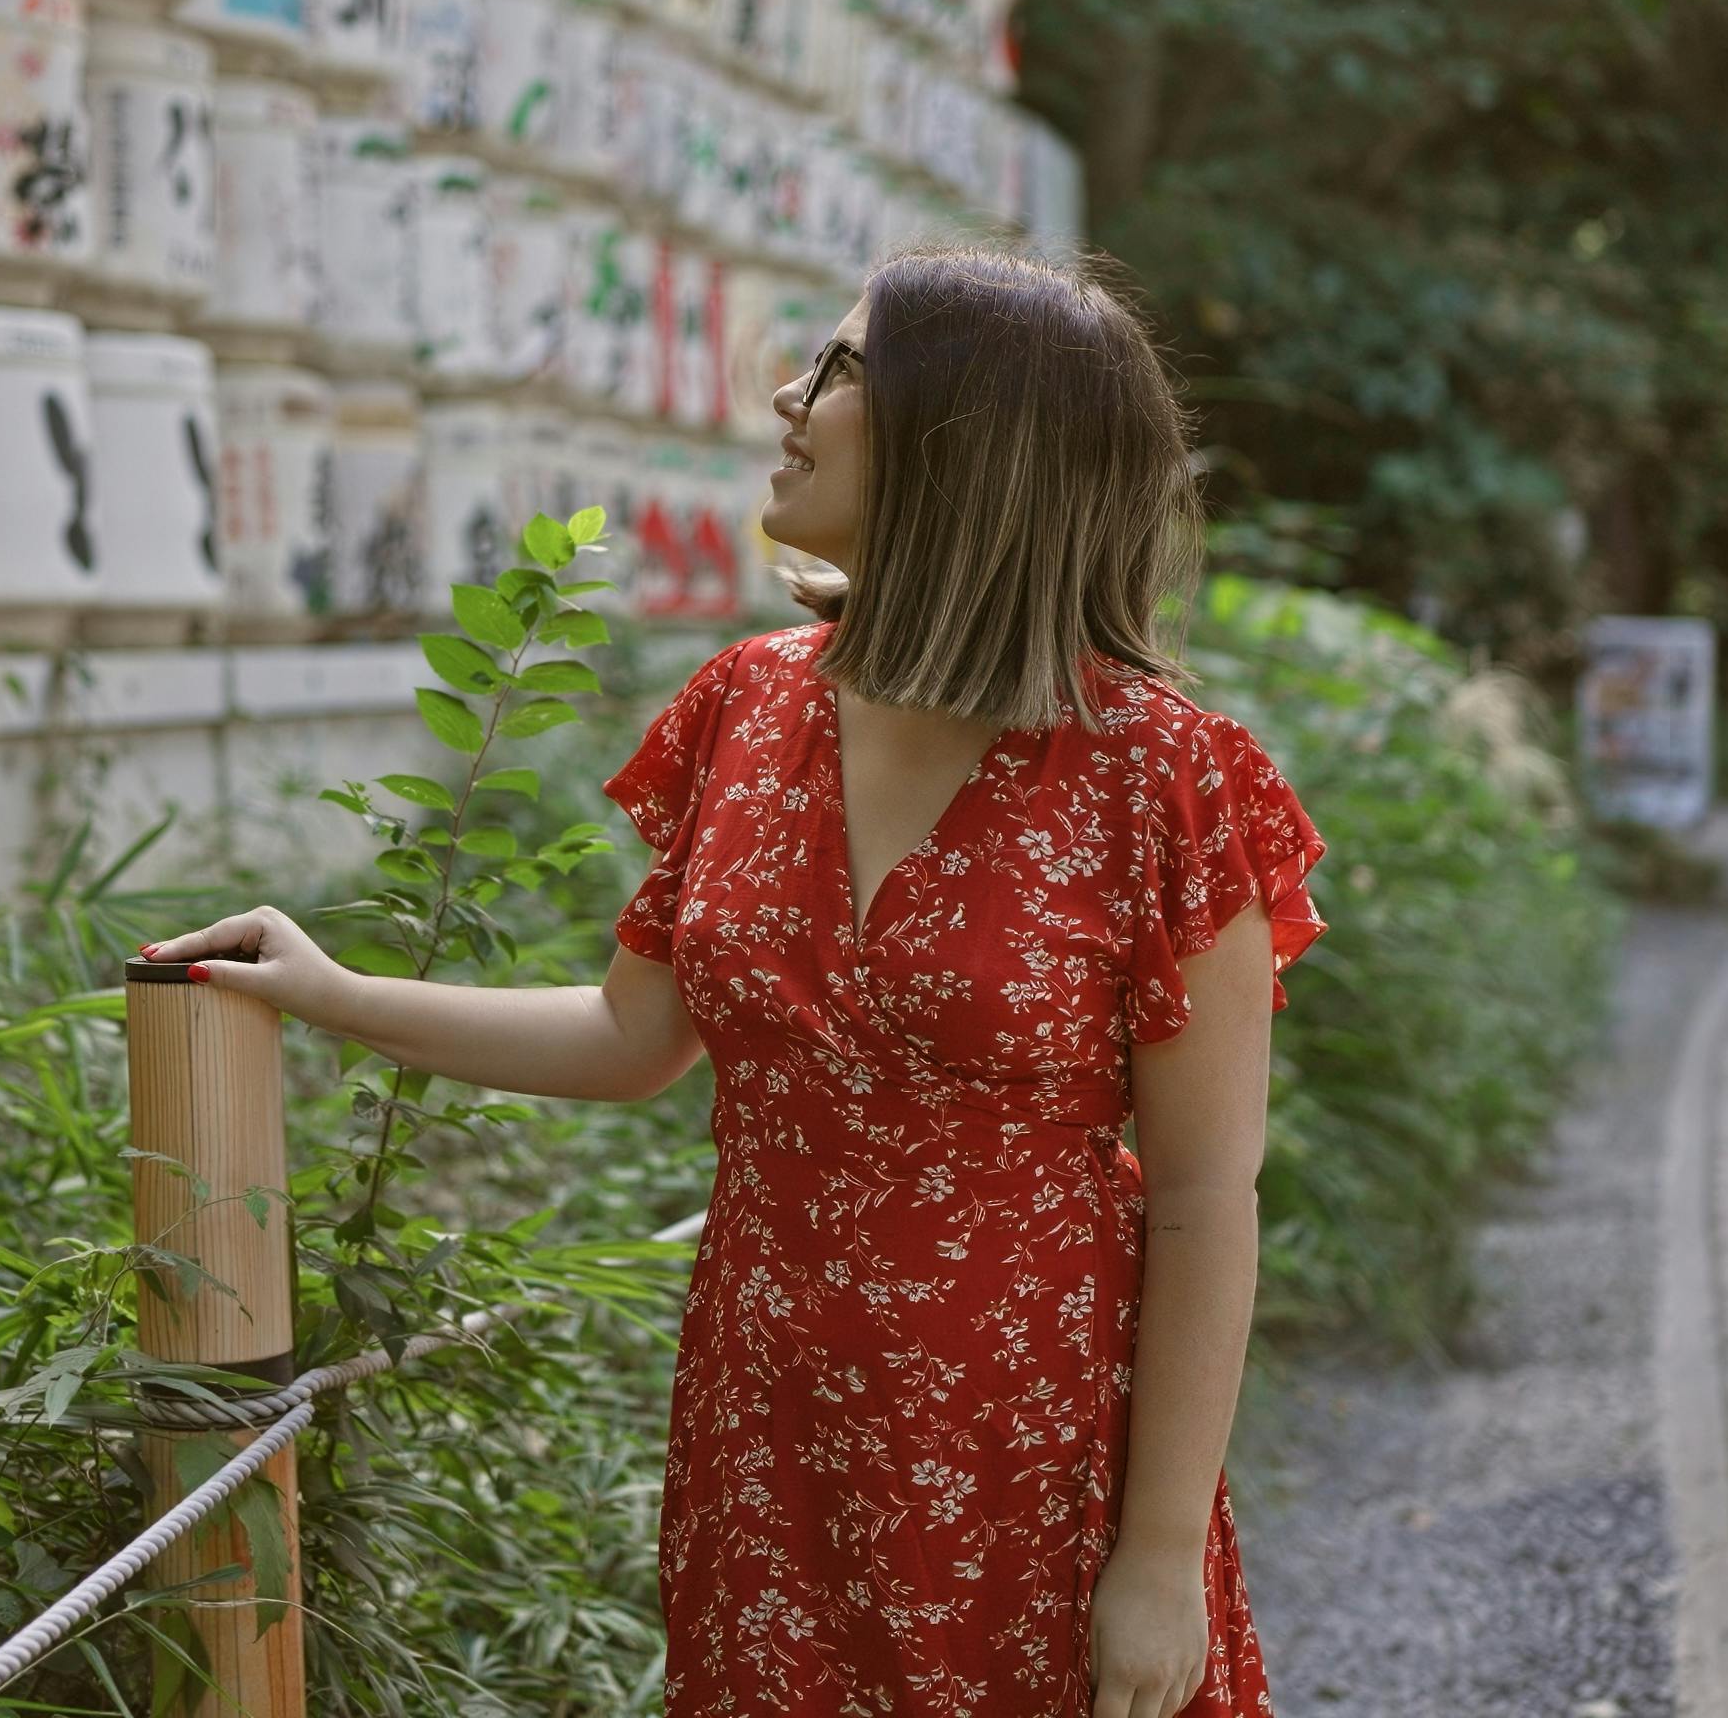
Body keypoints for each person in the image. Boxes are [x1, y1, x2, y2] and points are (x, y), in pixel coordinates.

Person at [140, 246, 1325, 1717]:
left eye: (837, 370)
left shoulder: (1167, 777)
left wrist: (1155, 1557)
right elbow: (629, 1036)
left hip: (1036, 1445)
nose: (787, 395)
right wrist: (326, 988)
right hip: (765, 1440)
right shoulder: (745, 706)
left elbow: (1207, 1195)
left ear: (965, 440)